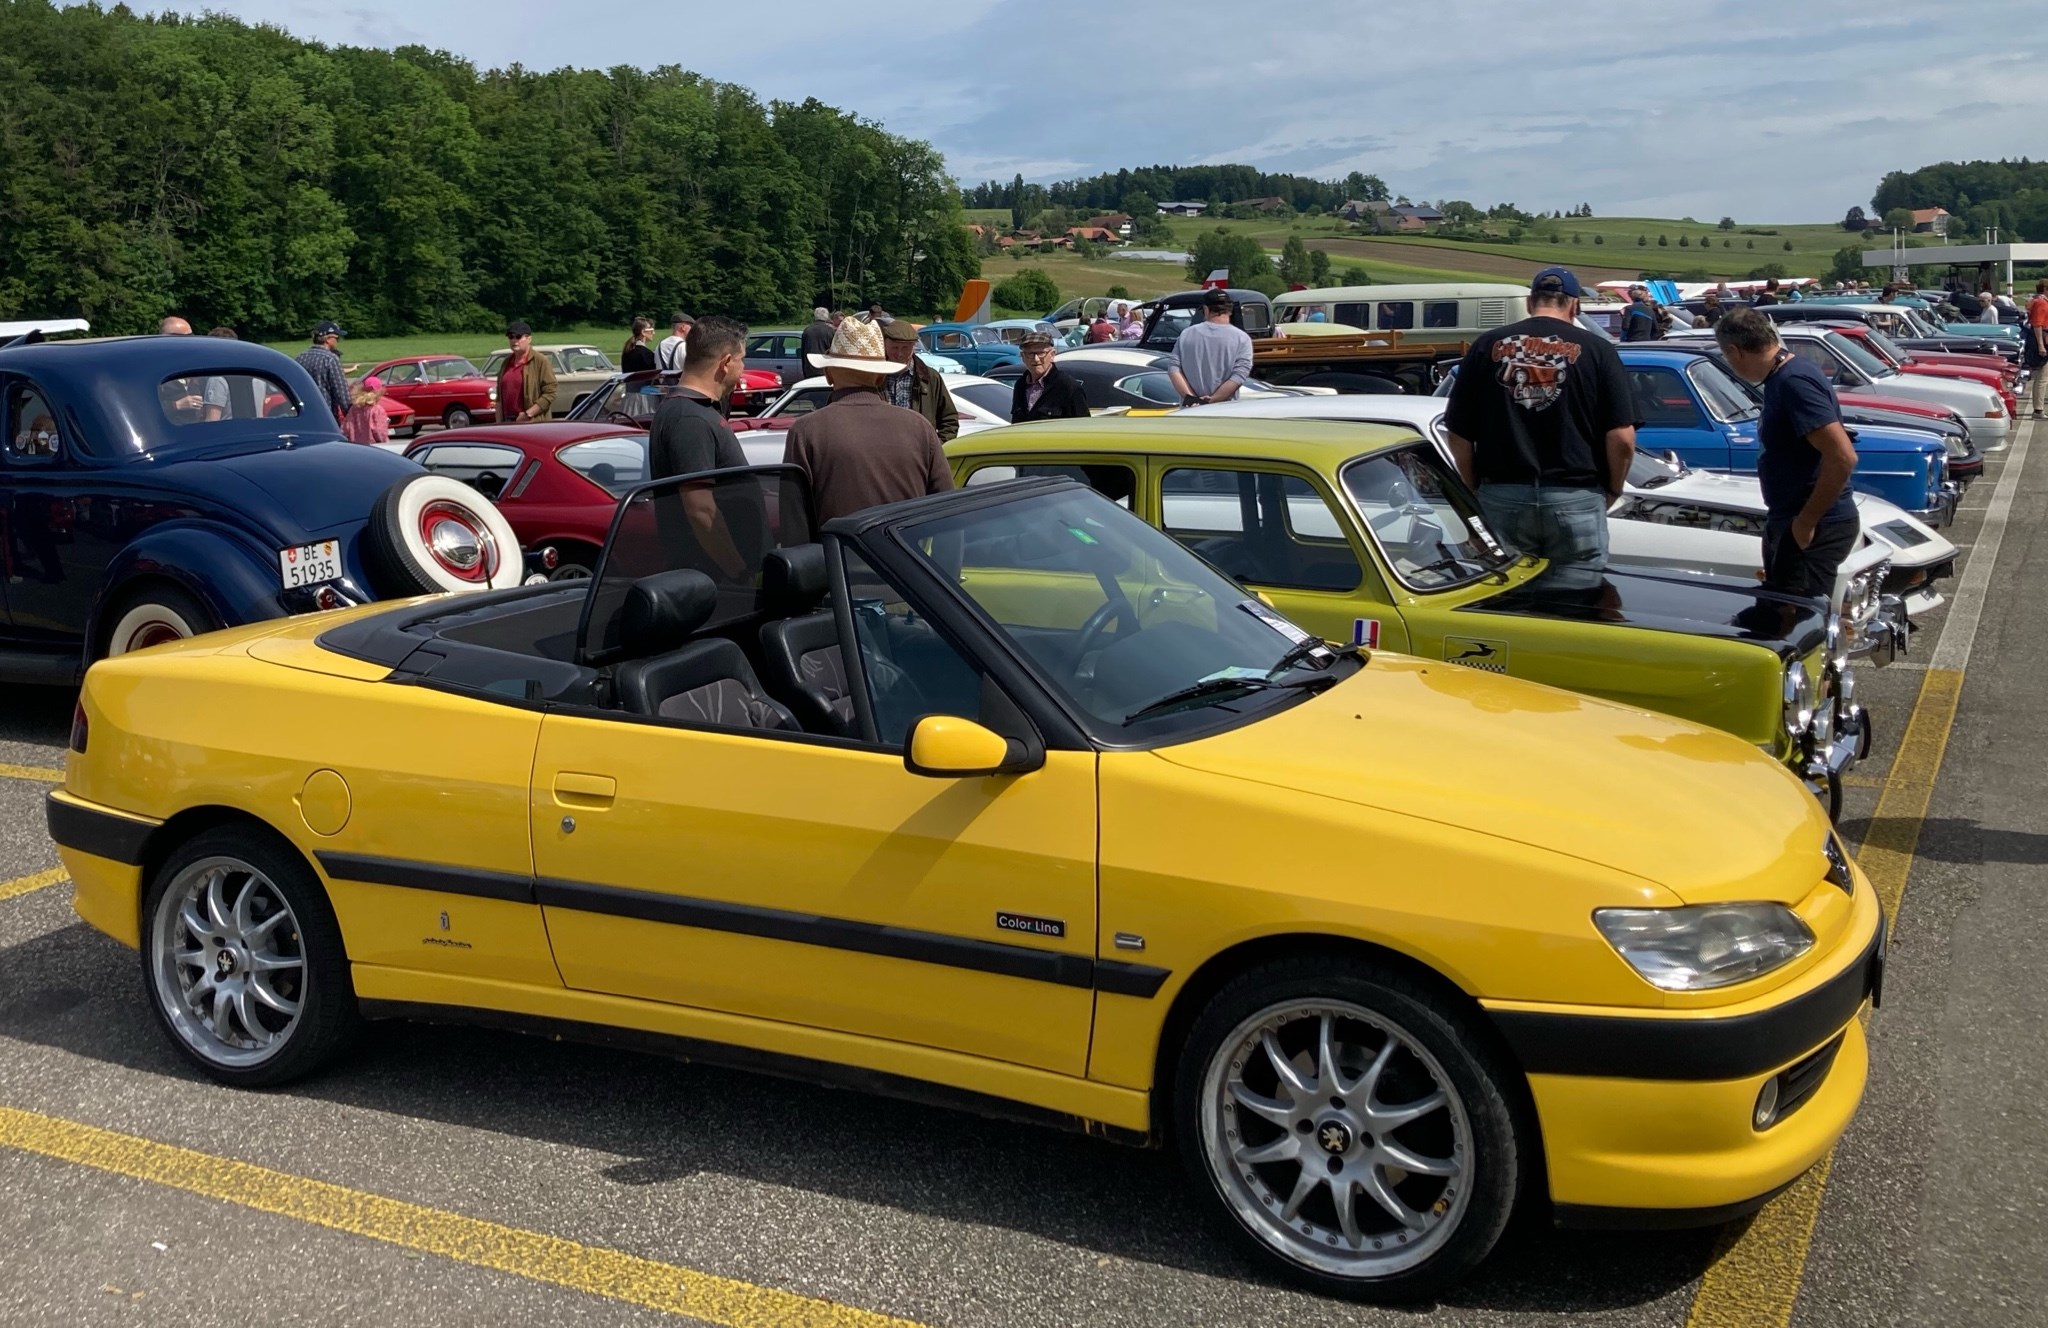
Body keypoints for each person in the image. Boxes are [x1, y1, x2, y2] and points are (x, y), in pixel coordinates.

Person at [1442, 266, 1637, 570]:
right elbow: (1622, 439)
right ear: (1574, 304)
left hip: (1502, 493)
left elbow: (1458, 434)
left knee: (1506, 599)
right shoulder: (1599, 350)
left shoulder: (1485, 345)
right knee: (1578, 602)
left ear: (1531, 302)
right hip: (1575, 495)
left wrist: (1475, 489)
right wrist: (1614, 488)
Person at [1713, 306, 1858, 598]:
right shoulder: (1785, 375)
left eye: (1726, 356)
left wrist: (1805, 522)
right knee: (1782, 610)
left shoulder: (1793, 382)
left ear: (1735, 350)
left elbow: (1842, 457)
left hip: (1815, 523)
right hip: (1793, 517)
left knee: (1797, 623)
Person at [783, 318, 952, 525]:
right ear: (881, 377)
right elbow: (946, 509)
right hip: (905, 555)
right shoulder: (920, 428)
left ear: (828, 374)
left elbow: (793, 519)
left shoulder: (806, 431)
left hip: (838, 555)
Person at [647, 315, 755, 581]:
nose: (743, 369)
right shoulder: (691, 419)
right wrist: (739, 572)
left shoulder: (689, 411)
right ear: (726, 363)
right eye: (741, 360)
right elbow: (701, 510)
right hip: (714, 580)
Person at [1168, 288, 1254, 406]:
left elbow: (1173, 369)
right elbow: (1239, 375)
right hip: (1224, 411)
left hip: (1189, 411)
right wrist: (1213, 399)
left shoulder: (1186, 334)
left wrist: (1191, 398)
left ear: (1206, 309)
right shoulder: (1242, 339)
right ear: (1230, 310)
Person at [877, 320, 959, 441]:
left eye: (905, 348)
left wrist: (936, 448)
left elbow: (949, 419)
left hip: (919, 452)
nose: (899, 354)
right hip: (882, 451)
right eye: (894, 348)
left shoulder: (930, 378)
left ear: (914, 346)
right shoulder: (873, 376)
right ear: (884, 345)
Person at [1011, 331, 1089, 421]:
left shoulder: (1068, 387)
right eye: (1030, 354)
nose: (1036, 359)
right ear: (1023, 356)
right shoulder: (1020, 385)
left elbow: (1083, 427)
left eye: (1041, 353)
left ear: (1052, 355)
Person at [497, 321, 557, 423]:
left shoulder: (540, 361)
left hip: (532, 424)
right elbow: (499, 398)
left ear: (529, 339)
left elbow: (550, 392)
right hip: (507, 424)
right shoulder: (506, 363)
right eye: (511, 337)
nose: (514, 340)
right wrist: (498, 423)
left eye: (518, 336)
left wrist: (528, 414)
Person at [297, 320, 351, 421]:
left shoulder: (301, 357)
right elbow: (342, 393)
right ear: (328, 339)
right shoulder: (331, 359)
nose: (338, 341)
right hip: (326, 416)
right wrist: (350, 416)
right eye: (337, 338)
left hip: (304, 415)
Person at [342, 375, 390, 446]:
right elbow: (380, 432)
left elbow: (346, 428)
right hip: (374, 447)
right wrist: (386, 442)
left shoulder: (354, 408)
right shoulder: (377, 410)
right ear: (379, 392)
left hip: (356, 447)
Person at [2027, 279, 2048, 417]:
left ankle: (2039, 408)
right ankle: (2038, 409)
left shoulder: (2040, 301)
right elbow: (2037, 324)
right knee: (2042, 376)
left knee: (2043, 376)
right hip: (2043, 340)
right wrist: (2041, 345)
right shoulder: (2042, 303)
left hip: (2043, 339)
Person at [799, 306, 837, 377]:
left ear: (815, 316)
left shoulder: (807, 330)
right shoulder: (830, 331)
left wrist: (804, 370)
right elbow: (834, 351)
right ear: (826, 317)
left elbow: (803, 352)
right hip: (825, 369)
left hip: (810, 369)